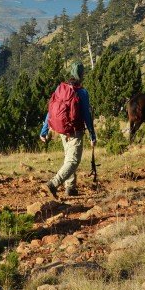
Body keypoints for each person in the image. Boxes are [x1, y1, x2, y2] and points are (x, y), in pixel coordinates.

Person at [39, 61, 97, 199]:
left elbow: (51, 111)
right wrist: (92, 135)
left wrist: (44, 130)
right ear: (82, 75)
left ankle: (70, 188)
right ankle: (53, 184)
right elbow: (86, 115)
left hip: (62, 130)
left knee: (68, 158)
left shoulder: (61, 88)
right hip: (75, 131)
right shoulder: (82, 92)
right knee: (73, 161)